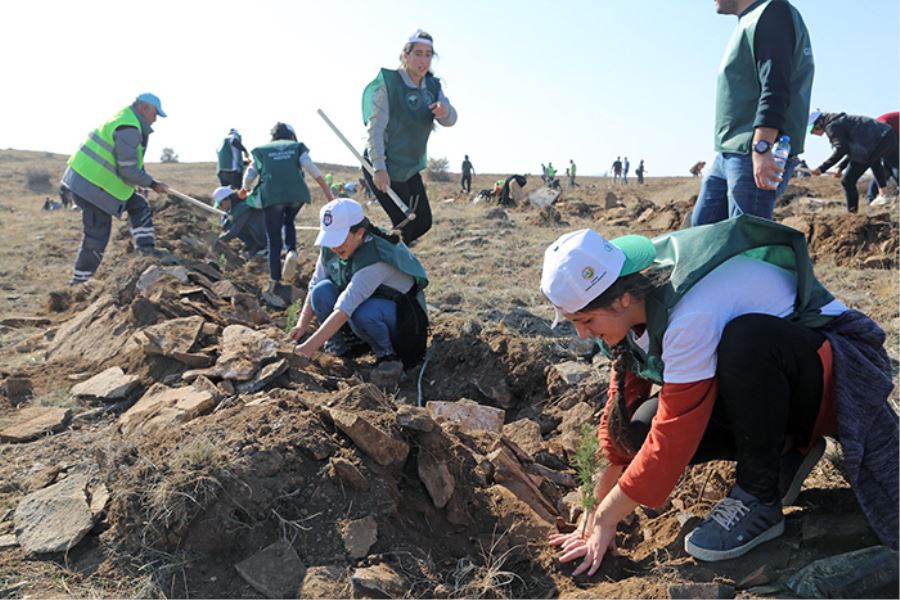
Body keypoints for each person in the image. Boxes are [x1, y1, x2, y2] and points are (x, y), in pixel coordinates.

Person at [542, 216, 897, 575]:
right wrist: (595, 508)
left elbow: (675, 435)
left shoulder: (689, 314)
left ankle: (759, 496)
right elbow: (619, 408)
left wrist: (607, 519)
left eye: (585, 321)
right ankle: (787, 449)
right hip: (780, 389)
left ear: (622, 298)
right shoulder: (631, 305)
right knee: (636, 429)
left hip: (836, 376)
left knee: (744, 342)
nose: (583, 335)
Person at [691, 0, 814, 226]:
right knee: (702, 234)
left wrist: (763, 147)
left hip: (753, 152)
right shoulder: (750, 20)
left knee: (745, 242)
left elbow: (776, 85)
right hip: (729, 151)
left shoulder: (771, 11)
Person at [290, 198, 429, 370]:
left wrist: (307, 349)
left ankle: (387, 355)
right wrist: (301, 326)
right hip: (367, 308)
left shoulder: (376, 258)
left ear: (360, 233)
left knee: (363, 313)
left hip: (402, 319)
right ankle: (339, 351)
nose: (334, 246)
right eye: (330, 238)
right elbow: (314, 285)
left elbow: (345, 307)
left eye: (339, 239)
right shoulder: (333, 247)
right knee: (321, 291)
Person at [61, 93, 170, 285]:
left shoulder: (126, 120)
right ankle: (79, 282)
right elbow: (127, 168)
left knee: (139, 204)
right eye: (155, 114)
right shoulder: (129, 128)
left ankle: (145, 249)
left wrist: (147, 179)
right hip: (92, 186)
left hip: (91, 182)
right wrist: (152, 184)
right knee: (97, 236)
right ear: (144, 108)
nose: (155, 120)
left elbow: (132, 163)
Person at [362, 29, 457, 245]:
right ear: (406, 55)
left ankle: (373, 244)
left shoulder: (433, 86)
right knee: (404, 222)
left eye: (428, 54)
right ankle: (394, 271)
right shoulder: (390, 84)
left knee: (423, 222)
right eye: (418, 53)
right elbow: (375, 128)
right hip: (382, 164)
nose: (423, 60)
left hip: (409, 167)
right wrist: (379, 168)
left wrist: (445, 112)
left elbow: (451, 119)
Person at [241, 122, 333, 292]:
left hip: (272, 196)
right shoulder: (296, 147)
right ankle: (291, 250)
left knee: (273, 237)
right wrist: (327, 192)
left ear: (273, 136)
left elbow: (250, 174)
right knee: (288, 221)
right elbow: (311, 169)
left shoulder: (263, 150)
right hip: (296, 195)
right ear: (291, 135)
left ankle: (275, 279)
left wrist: (245, 189)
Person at [808, 110, 897, 212]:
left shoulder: (832, 126)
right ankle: (883, 193)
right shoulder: (841, 121)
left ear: (819, 123)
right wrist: (841, 167)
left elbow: (841, 149)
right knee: (873, 159)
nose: (811, 133)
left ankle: (852, 214)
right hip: (888, 135)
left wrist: (822, 168)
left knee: (848, 181)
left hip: (876, 140)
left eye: (811, 129)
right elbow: (853, 149)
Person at [212, 186, 266, 257]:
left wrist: (216, 240)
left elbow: (233, 232)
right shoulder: (235, 207)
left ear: (227, 199)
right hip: (258, 232)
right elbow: (225, 224)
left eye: (220, 204)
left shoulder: (243, 208)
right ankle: (253, 245)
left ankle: (260, 246)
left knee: (237, 228)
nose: (221, 207)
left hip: (263, 235)